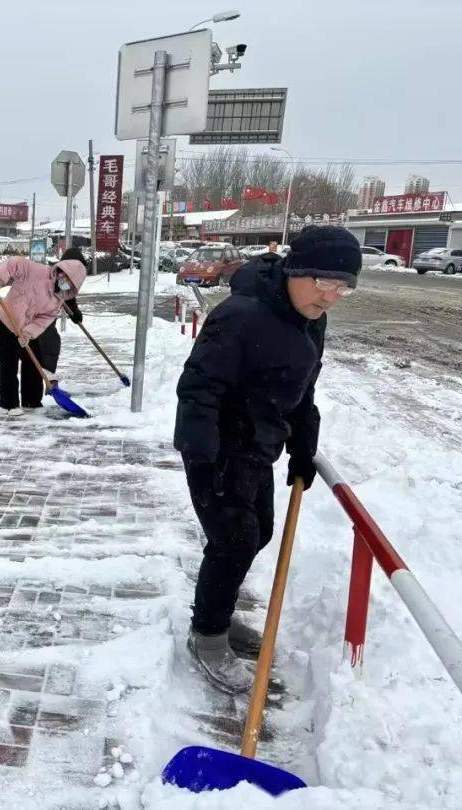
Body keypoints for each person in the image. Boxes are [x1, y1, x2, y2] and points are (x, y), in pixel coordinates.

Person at [174, 225, 361, 693]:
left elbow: (303, 392)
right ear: (296, 270)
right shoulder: (241, 315)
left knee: (257, 535)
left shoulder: (311, 320)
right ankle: (208, 638)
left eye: (344, 286)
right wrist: (202, 454)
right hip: (218, 448)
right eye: (324, 281)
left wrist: (303, 448)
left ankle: (215, 612)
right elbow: (199, 387)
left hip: (259, 448)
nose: (332, 296)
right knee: (234, 538)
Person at [0, 247, 87, 416]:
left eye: (71, 284)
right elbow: (14, 263)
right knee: (9, 363)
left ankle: (31, 401)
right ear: (62, 272)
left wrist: (28, 333)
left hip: (26, 327)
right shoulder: (37, 271)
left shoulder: (58, 299)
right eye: (66, 279)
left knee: (33, 363)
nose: (66, 284)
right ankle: (9, 404)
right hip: (9, 319)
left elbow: (43, 320)